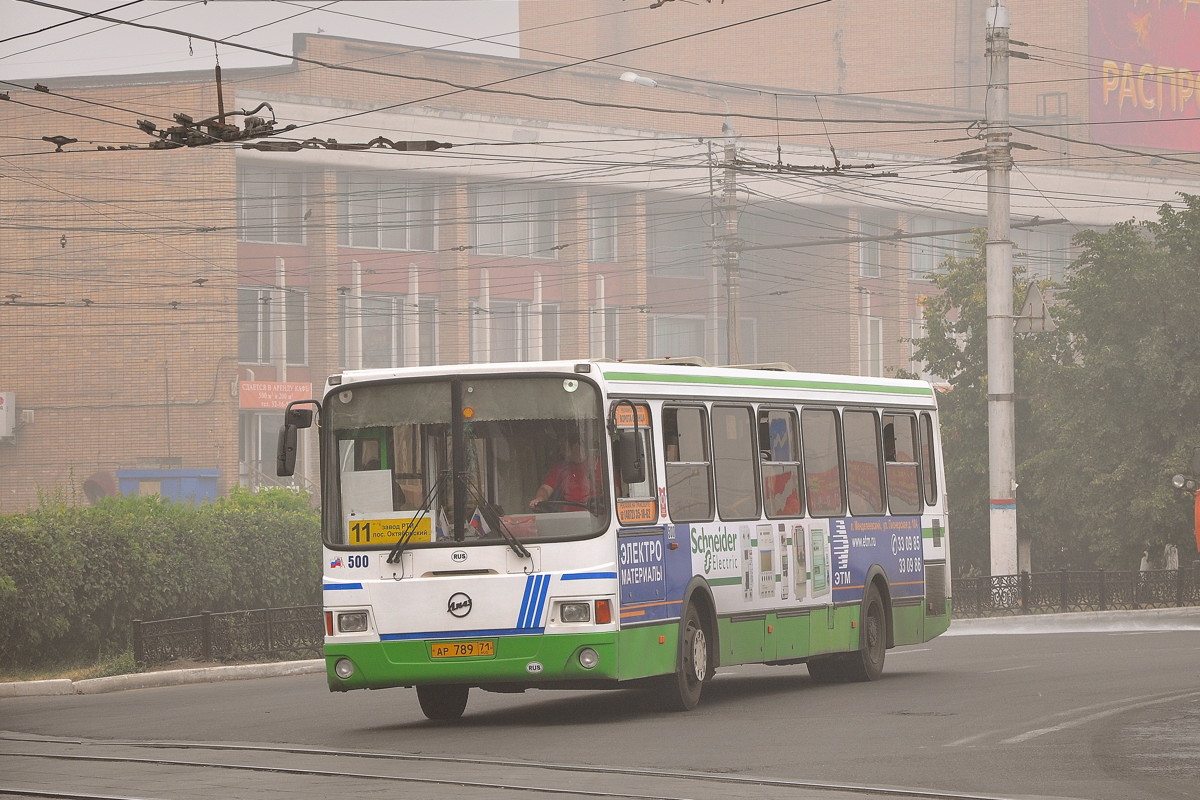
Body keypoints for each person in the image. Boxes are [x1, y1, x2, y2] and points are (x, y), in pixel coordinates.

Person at [529, 438, 599, 511]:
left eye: (564, 448)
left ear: (576, 446)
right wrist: (540, 498)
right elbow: (545, 489)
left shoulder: (597, 465)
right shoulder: (559, 468)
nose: (561, 452)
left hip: (594, 515)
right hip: (567, 517)